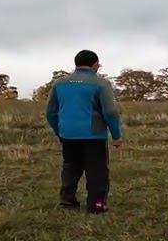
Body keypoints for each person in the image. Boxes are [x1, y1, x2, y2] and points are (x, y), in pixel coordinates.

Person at [45, 49, 123, 213]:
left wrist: (60, 131)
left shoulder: (59, 84)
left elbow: (50, 112)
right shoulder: (101, 83)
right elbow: (110, 112)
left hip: (68, 134)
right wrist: (116, 135)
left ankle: (67, 200)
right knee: (97, 170)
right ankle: (96, 205)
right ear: (95, 64)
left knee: (70, 166)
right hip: (94, 135)